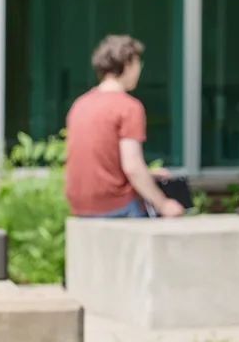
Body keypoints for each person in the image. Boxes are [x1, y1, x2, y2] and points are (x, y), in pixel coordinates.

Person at [64, 34, 182, 218]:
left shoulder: (80, 104)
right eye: (138, 65)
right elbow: (132, 167)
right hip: (116, 207)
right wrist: (164, 204)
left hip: (80, 207)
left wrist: (148, 176)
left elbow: (101, 162)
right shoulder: (128, 107)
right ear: (128, 65)